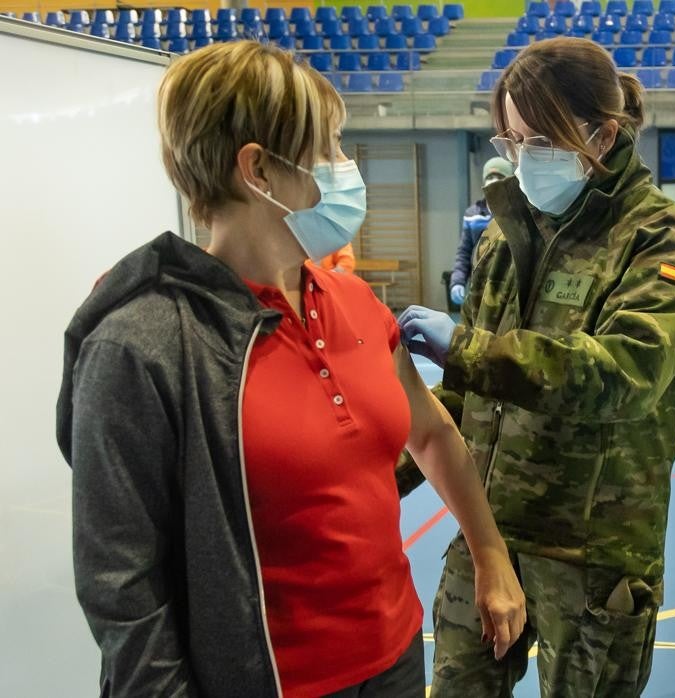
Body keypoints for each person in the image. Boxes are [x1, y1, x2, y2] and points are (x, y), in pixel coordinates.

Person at [55, 42, 524, 697]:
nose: (346, 166)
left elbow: (435, 435)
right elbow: (121, 584)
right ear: (259, 171)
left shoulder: (355, 303)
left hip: (392, 661)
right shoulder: (146, 344)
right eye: (329, 147)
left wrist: (490, 553)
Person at [400, 37, 675, 696]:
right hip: (488, 536)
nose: (522, 159)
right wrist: (366, 477)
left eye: (538, 141)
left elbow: (625, 372)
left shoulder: (657, 239)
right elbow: (458, 404)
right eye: (510, 142)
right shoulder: (503, 240)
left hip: (593, 558)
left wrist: (470, 349)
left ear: (602, 131)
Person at [449, 157, 515, 306]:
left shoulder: (517, 213)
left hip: (510, 285)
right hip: (479, 285)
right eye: (490, 177)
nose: (494, 181)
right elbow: (464, 252)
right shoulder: (472, 215)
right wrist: (457, 281)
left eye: (499, 177)